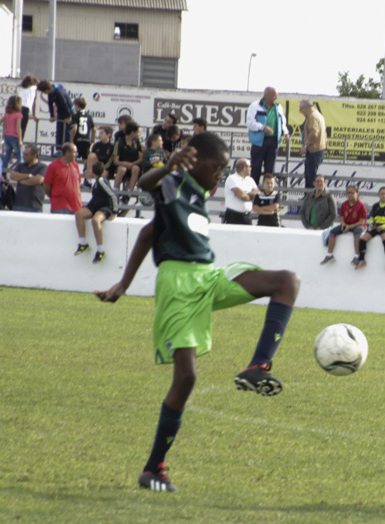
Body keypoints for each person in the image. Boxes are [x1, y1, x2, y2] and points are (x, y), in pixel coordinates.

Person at [94, 132, 301, 493]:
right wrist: (167, 168)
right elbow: (144, 183)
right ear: (196, 161)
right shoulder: (174, 182)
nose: (221, 175)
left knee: (287, 281)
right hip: (179, 287)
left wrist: (123, 284)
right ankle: (153, 468)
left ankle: (257, 367)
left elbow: (149, 232)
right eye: (217, 168)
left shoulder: (196, 194)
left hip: (209, 277)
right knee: (186, 378)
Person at [75, 162, 119, 264]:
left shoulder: (101, 181)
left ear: (92, 172)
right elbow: (96, 198)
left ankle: (100, 250)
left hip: (105, 207)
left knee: (95, 220)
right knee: (79, 214)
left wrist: (115, 211)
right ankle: (83, 243)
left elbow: (112, 195)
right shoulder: (97, 182)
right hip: (96, 205)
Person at [246, 86, 288, 179]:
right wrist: (262, 127)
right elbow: (250, 123)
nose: (276, 98)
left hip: (273, 141)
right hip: (259, 142)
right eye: (274, 96)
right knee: (255, 167)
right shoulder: (255, 106)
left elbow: (283, 122)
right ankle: (254, 192)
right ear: (267, 95)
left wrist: (285, 131)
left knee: (270, 169)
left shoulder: (279, 107)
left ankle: (267, 192)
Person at [321, 185, 367, 265]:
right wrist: (343, 225)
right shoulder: (344, 204)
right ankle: (329, 255)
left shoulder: (361, 205)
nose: (350, 195)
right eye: (348, 193)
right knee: (332, 232)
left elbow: (362, 221)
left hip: (357, 225)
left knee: (357, 233)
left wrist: (350, 226)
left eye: (352, 193)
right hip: (347, 224)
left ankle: (356, 256)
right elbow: (341, 218)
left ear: (357, 193)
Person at [355, 186, 385, 271]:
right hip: (375, 226)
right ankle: (362, 259)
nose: (384, 195)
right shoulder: (375, 205)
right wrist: (372, 225)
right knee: (363, 239)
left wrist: (382, 227)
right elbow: (371, 218)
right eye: (382, 194)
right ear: (378, 195)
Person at [44, 142, 83, 217]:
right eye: (75, 152)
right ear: (67, 152)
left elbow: (78, 183)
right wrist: (56, 196)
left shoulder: (75, 165)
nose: (77, 154)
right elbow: (46, 186)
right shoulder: (53, 166)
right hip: (60, 207)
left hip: (76, 208)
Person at [0, 95, 24, 167]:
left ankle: (3, 171)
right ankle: (20, 170)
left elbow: (0, 121)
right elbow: (18, 127)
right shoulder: (18, 114)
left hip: (7, 136)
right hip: (14, 136)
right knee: (19, 156)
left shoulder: (7, 114)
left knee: (8, 155)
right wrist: (20, 140)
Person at [10, 144, 47, 213]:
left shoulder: (42, 167)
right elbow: (13, 176)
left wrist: (20, 180)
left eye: (26, 155)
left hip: (34, 206)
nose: (23, 156)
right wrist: (29, 176)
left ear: (34, 156)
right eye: (23, 154)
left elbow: (38, 180)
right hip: (19, 204)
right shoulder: (21, 166)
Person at [37, 80, 74, 147]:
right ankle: (59, 149)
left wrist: (68, 117)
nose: (44, 93)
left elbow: (64, 104)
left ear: (46, 90)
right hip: (60, 112)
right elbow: (50, 104)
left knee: (66, 133)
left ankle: (66, 149)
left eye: (43, 91)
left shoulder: (58, 92)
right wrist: (52, 116)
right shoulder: (50, 93)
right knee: (59, 132)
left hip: (68, 111)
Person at [299, 100, 326, 189]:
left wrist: (305, 145)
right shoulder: (317, 114)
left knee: (310, 176)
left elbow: (314, 133)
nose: (301, 112)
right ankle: (309, 196)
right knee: (309, 175)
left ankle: (310, 197)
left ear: (305, 108)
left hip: (314, 150)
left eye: (301, 109)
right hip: (318, 149)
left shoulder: (313, 117)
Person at [223, 158, 258, 225]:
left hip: (247, 216)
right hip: (234, 216)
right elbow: (242, 197)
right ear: (244, 168)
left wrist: (247, 194)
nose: (251, 168)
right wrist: (251, 195)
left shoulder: (250, 179)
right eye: (250, 166)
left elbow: (257, 192)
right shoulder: (232, 178)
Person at [113, 120, 143, 191]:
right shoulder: (120, 142)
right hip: (122, 166)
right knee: (122, 169)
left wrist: (133, 164)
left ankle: (129, 193)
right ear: (132, 132)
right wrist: (125, 163)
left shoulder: (137, 142)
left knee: (136, 168)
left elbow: (141, 158)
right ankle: (115, 190)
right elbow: (115, 161)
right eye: (138, 132)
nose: (139, 134)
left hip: (133, 166)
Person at [71, 97, 95, 162]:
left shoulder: (75, 116)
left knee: (74, 157)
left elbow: (75, 128)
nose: (74, 107)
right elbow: (94, 129)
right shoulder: (89, 116)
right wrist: (92, 140)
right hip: (87, 140)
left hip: (78, 140)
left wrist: (71, 140)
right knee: (86, 159)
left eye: (74, 105)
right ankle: (85, 171)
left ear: (77, 106)